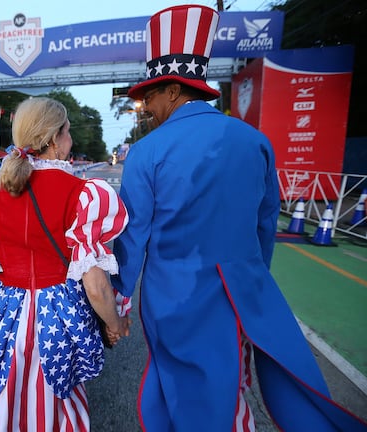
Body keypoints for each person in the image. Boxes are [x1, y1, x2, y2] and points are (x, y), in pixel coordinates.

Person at [110, 5, 367, 432]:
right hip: (243, 290)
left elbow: (131, 240)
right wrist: (251, 277)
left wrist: (116, 301)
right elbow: (266, 223)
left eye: (150, 95)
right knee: (231, 380)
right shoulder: (255, 141)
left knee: (187, 394)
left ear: (172, 91)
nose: (148, 106)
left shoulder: (146, 152)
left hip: (175, 297)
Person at [0, 97, 131, 431]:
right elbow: (95, 284)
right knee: (55, 402)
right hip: (57, 316)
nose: (71, 140)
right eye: (68, 132)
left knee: (0, 399)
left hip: (0, 313)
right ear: (53, 140)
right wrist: (114, 323)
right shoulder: (83, 194)